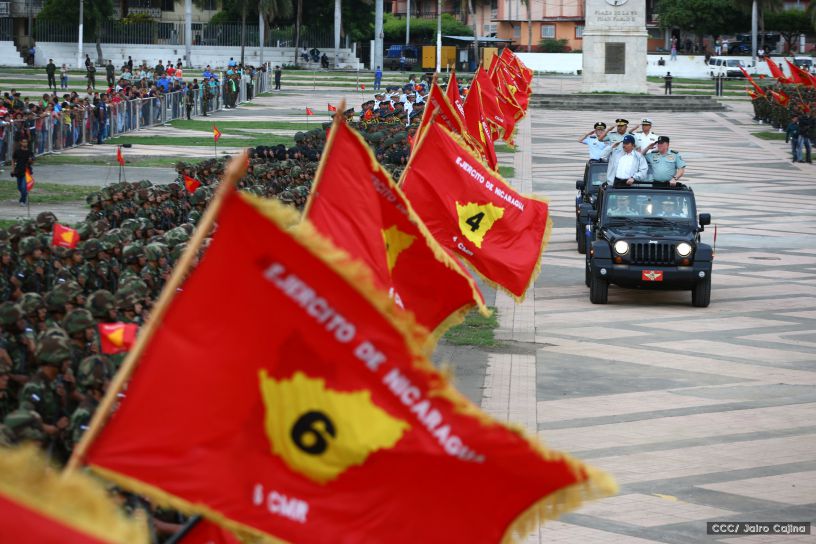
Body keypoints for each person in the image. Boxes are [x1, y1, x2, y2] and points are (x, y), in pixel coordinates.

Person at [11, 139, 33, 206]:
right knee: (19, 187)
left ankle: (22, 201)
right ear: (21, 143)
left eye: (26, 142)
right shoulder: (17, 152)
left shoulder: (29, 152)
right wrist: (13, 169)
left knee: (23, 187)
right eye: (23, 142)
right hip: (18, 171)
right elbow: (13, 160)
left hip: (26, 172)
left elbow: (32, 162)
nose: (25, 143)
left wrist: (30, 160)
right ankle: (24, 195)